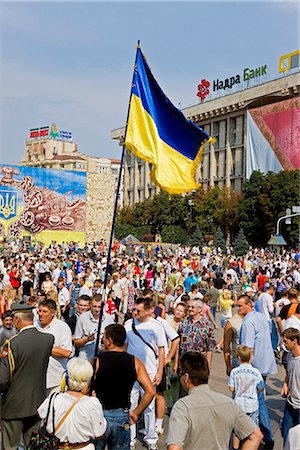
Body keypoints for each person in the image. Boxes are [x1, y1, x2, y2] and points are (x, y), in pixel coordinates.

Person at [167, 351, 263, 450]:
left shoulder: (182, 406)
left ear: (186, 377)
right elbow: (256, 436)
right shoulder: (228, 403)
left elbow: (174, 447)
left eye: (180, 373)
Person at [93, 324, 155, 450]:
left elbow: (85, 389)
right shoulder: (135, 361)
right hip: (122, 414)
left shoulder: (96, 361)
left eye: (104, 337)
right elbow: (150, 392)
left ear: (109, 341)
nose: (103, 340)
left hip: (99, 413)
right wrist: (136, 412)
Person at [0, 303, 54, 450]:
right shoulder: (48, 339)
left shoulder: (12, 344)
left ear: (17, 320)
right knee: (32, 446)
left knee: (9, 446)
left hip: (14, 405)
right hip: (37, 403)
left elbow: (2, 379)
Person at [37, 357, 107, 450]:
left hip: (56, 446)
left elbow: (40, 414)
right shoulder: (92, 403)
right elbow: (99, 433)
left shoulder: (54, 398)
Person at [124, 297, 165, 450]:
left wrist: (160, 371)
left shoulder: (156, 326)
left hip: (150, 370)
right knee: (130, 403)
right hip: (131, 369)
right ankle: (130, 438)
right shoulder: (128, 324)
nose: (135, 312)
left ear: (148, 311)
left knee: (149, 405)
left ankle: (151, 437)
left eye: (138, 310)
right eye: (134, 309)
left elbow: (161, 349)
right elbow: (125, 346)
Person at [238, 294, 277, 449]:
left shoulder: (248, 322)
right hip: (265, 363)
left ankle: (266, 436)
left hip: (255, 367)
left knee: (257, 401)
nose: (238, 308)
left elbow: (248, 349)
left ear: (249, 305)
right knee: (259, 399)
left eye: (240, 305)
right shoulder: (261, 317)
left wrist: (245, 369)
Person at [228, 345, 264, 450]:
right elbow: (261, 387)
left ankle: (235, 447)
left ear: (238, 358)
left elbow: (231, 388)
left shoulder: (234, 372)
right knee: (253, 428)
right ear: (250, 357)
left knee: (237, 430)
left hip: (239, 404)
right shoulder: (256, 372)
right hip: (252, 404)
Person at [38, 298, 72, 394]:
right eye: (39, 311)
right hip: (36, 379)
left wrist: (44, 347)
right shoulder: (35, 325)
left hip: (54, 380)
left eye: (44, 311)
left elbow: (67, 352)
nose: (41, 314)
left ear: (53, 313)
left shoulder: (62, 327)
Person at [177, 298, 216, 368]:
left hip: (199, 364)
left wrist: (208, 365)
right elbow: (177, 343)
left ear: (199, 309)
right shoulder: (184, 322)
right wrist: (176, 363)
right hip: (184, 362)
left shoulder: (207, 325)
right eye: (188, 306)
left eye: (192, 307)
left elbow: (210, 347)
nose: (190, 309)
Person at [74, 294, 114, 360]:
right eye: (95, 306)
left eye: (99, 307)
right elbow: (76, 342)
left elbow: (113, 340)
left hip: (103, 358)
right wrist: (87, 339)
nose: (97, 309)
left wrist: (107, 347)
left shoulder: (109, 318)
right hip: (87, 358)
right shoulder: (82, 318)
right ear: (90, 306)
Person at [280, 328, 300, 444]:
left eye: (286, 341)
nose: (283, 344)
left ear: (295, 341)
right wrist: (285, 385)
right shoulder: (289, 356)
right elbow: (289, 373)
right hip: (290, 403)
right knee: (287, 436)